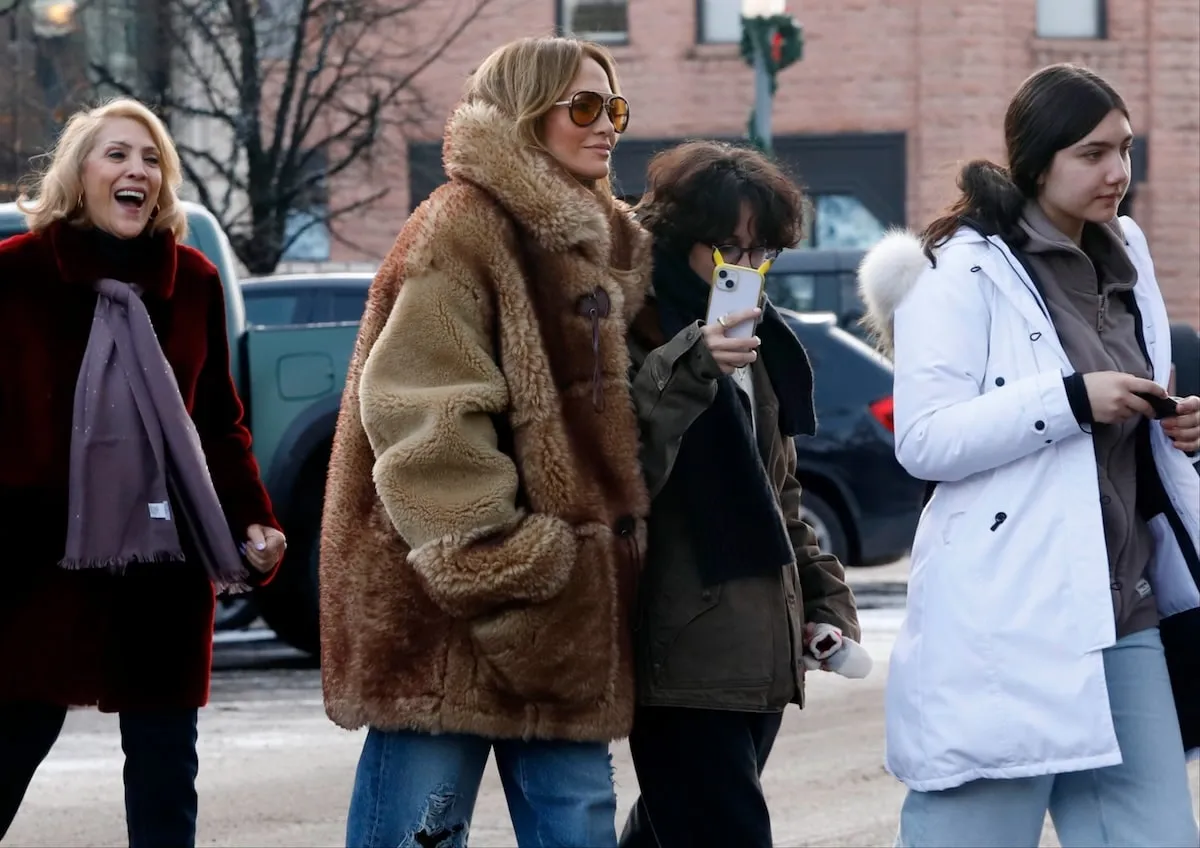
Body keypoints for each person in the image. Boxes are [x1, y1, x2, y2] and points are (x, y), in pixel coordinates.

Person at [318, 37, 651, 848]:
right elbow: (422, 419)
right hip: (448, 615)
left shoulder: (601, 246)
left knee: (579, 828)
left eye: (614, 108)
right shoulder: (461, 227)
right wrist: (508, 564)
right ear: (526, 116)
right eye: (582, 107)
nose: (605, 126)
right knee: (417, 835)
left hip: (563, 618)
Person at [857, 63, 1200, 847]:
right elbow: (924, 440)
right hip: (1013, 613)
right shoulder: (958, 270)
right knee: (975, 835)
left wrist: (1171, 422)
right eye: (1091, 153)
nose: (1117, 172)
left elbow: (1133, 401)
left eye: (1125, 148)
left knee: (1157, 838)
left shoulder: (1129, 252)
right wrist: (1071, 401)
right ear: (1037, 160)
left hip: (1125, 602)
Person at [0, 98, 285, 846]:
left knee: (164, 771)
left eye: (152, 158)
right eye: (118, 154)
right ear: (79, 174)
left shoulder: (191, 281)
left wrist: (255, 516)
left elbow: (219, 420)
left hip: (164, 557)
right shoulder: (15, 276)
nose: (139, 171)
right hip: (37, 558)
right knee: (8, 744)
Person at [619, 140, 863, 848]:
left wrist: (824, 605)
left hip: (759, 655)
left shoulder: (761, 344)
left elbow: (781, 498)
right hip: (681, 661)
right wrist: (690, 366)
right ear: (678, 239)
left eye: (762, 254)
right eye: (728, 248)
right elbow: (622, 477)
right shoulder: (636, 335)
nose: (746, 270)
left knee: (665, 834)